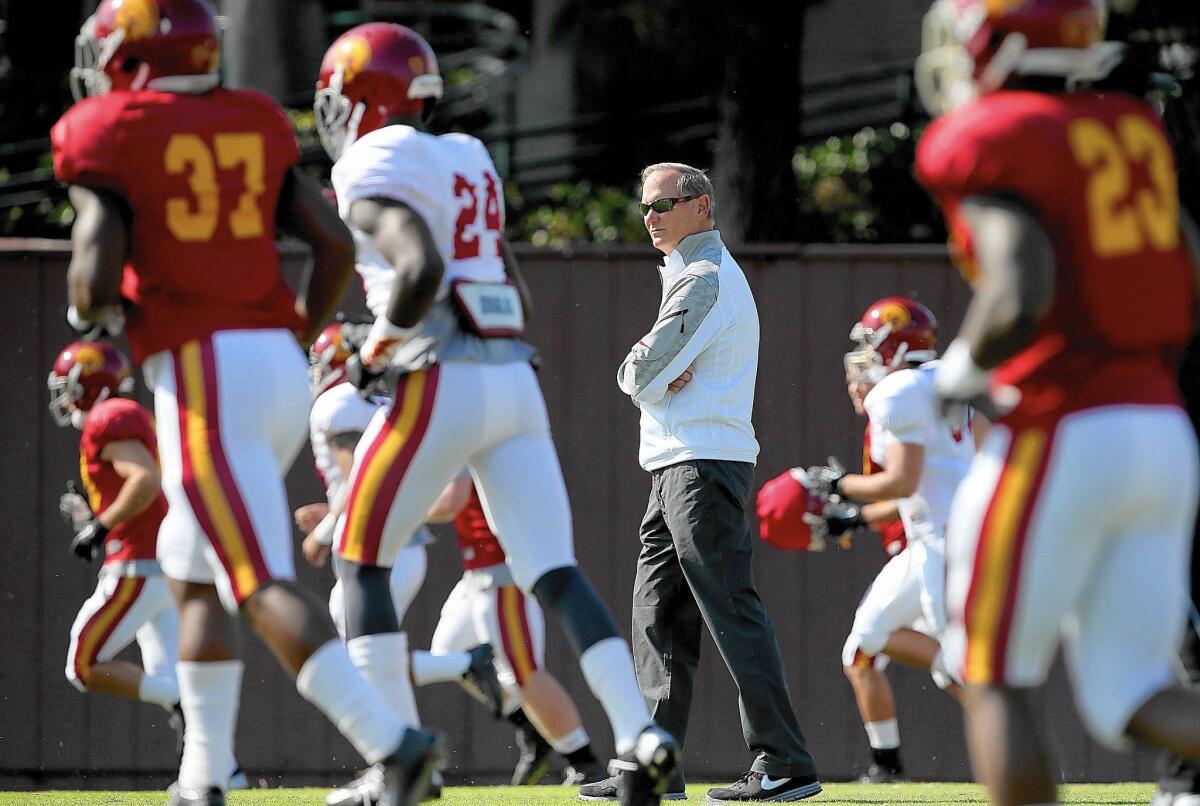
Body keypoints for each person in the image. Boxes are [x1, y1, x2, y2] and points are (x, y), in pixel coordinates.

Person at [52, 4, 438, 805]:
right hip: (271, 365)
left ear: (130, 54)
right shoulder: (253, 119)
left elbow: (92, 280)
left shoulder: (111, 127)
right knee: (192, 581)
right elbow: (330, 243)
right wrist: (294, 329)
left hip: (204, 371)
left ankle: (392, 744)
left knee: (255, 582)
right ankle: (202, 776)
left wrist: (93, 306)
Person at [313, 22, 677, 806]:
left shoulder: (369, 162)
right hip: (513, 380)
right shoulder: (468, 155)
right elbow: (513, 287)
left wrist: (376, 349)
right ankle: (640, 738)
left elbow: (418, 268)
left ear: (361, 100)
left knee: (361, 560)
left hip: (435, 377)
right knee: (554, 570)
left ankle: (393, 762)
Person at [914, 1, 1200, 803]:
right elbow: (1185, 257)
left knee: (990, 673)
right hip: (1159, 425)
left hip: (1062, 426)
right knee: (1134, 695)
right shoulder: (1130, 126)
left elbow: (1020, 282)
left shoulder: (994, 135)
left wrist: (961, 367)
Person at [604, 162, 821, 803]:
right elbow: (652, 369)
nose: (651, 218)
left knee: (728, 611)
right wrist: (649, 372)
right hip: (677, 462)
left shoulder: (703, 276)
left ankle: (785, 762)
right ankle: (653, 766)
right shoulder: (687, 273)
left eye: (665, 204)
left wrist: (639, 373)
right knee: (658, 618)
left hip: (701, 464)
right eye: (646, 207)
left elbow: (641, 371)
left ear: (702, 207)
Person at [296, 322, 503, 806]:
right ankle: (410, 768)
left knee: (356, 658)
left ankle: (392, 765)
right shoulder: (381, 403)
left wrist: (325, 532)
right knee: (369, 657)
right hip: (401, 542)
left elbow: (358, 481)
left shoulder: (339, 403)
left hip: (378, 544)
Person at [805, 298, 975, 781]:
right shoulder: (942, 379)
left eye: (870, 344)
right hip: (938, 537)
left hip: (943, 543)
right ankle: (887, 766)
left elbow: (900, 482)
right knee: (864, 645)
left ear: (893, 345)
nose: (865, 357)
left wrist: (835, 485)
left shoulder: (896, 392)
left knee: (967, 668)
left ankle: (1030, 767)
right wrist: (854, 515)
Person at [427, 473, 607, 787]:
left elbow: (448, 504)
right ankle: (533, 732)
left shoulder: (468, 430)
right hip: (476, 573)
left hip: (501, 570)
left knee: (523, 673)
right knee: (448, 656)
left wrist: (394, 510)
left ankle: (584, 761)